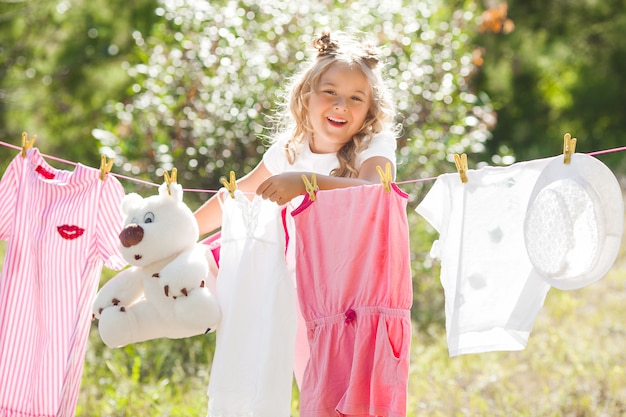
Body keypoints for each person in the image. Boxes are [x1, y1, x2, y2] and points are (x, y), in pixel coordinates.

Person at [194, 29, 400, 414]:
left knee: (343, 393)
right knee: (307, 382)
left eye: (356, 98)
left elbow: (374, 192)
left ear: (369, 112)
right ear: (306, 95)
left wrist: (305, 185)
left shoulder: (375, 147)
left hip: (352, 296)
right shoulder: (289, 152)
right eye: (330, 92)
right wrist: (186, 231)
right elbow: (238, 196)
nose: (342, 104)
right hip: (294, 290)